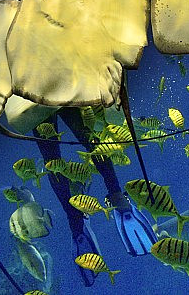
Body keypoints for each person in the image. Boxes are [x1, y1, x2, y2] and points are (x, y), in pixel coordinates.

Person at [34, 107, 156, 287]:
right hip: (63, 94)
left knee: (51, 159)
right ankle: (117, 198)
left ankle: (76, 221)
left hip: (31, 101)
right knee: (90, 138)